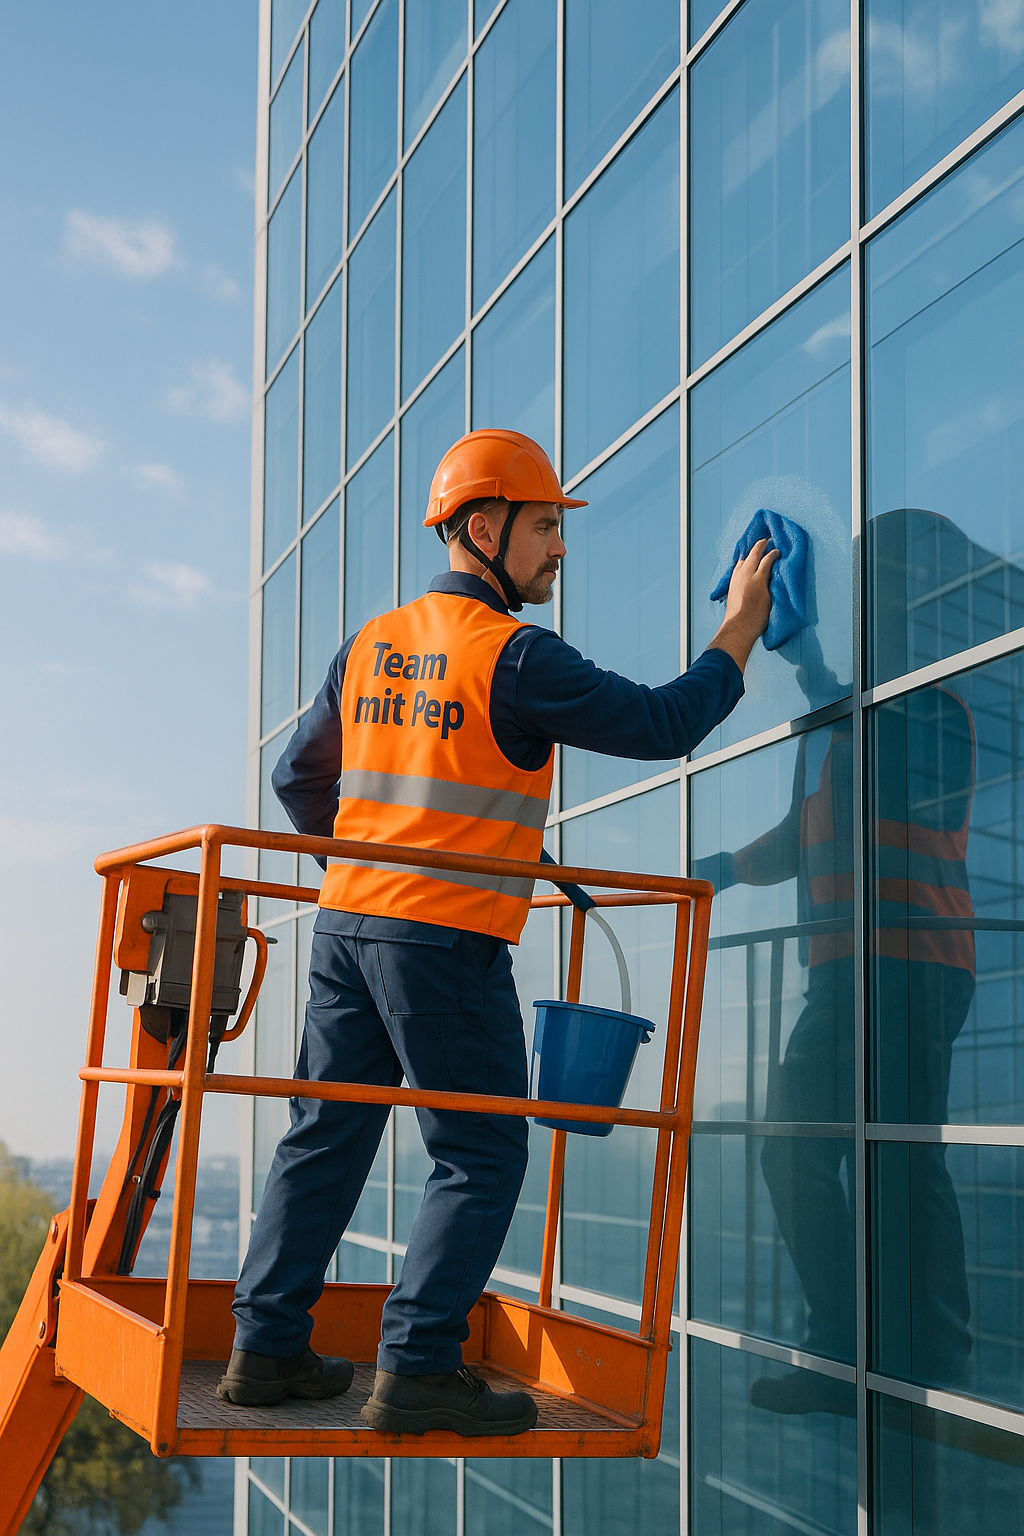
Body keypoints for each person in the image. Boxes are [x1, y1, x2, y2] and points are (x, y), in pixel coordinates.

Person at [218, 428, 778, 1434]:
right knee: (480, 1154)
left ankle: (263, 1351)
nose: (559, 547)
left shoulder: (371, 643)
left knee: (326, 1136)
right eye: (545, 526)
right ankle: (416, 1368)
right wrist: (736, 632)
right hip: (441, 937)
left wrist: (360, 868)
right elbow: (659, 724)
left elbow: (298, 778)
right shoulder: (514, 655)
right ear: (485, 528)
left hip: (348, 928)